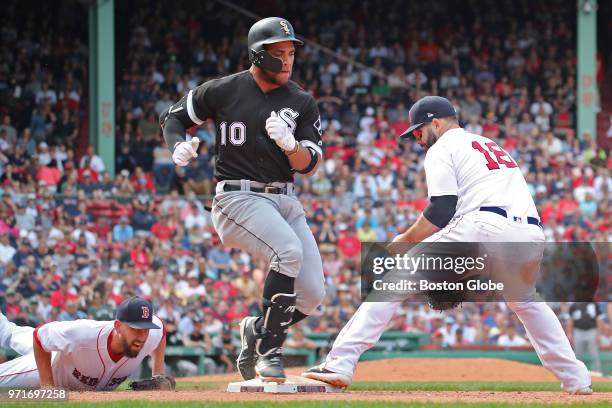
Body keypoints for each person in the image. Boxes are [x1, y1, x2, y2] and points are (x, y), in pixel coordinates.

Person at [303, 96, 593, 395]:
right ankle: (576, 378)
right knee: (527, 303)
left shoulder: (442, 146)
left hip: (484, 226)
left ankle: (340, 362)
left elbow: (442, 209)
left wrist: (407, 239)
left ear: (436, 124)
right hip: (529, 233)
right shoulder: (490, 145)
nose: (416, 137)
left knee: (396, 279)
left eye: (418, 130)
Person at [160, 17, 325, 383]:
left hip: (284, 199)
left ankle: (256, 331)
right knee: (288, 252)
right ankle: (270, 350)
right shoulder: (223, 90)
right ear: (257, 54)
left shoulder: (301, 101)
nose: (287, 60)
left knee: (312, 294)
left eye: (291, 53)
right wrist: (178, 146)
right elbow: (172, 117)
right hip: (237, 197)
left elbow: (311, 163)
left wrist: (291, 145)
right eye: (278, 53)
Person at [0, 297, 167, 390]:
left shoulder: (151, 334)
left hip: (69, 352)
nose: (142, 335)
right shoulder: (83, 334)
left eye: (146, 329)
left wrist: (158, 374)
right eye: (136, 329)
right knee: (9, 334)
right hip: (53, 364)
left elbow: (161, 329)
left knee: (10, 333)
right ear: (118, 326)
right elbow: (39, 336)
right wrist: (47, 387)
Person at [567, 300, 605, 373]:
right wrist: (570, 334)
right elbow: (570, 321)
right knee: (577, 355)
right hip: (578, 331)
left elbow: (599, 319)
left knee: (594, 355)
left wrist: (599, 334)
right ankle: (577, 373)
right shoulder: (574, 305)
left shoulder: (594, 304)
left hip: (592, 331)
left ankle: (597, 373)